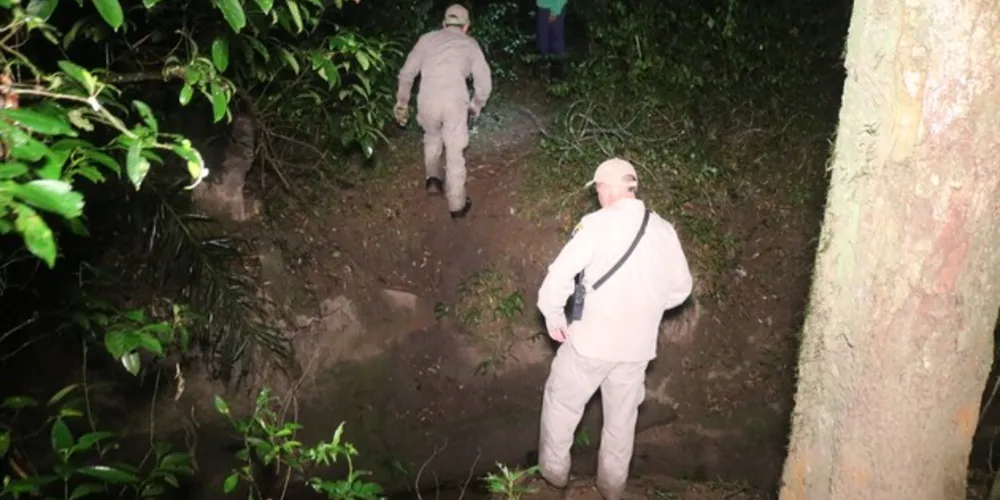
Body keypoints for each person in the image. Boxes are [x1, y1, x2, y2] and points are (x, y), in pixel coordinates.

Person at [534, 158, 694, 500]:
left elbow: (559, 277)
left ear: (607, 187)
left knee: (562, 405)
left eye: (598, 189)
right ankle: (611, 489)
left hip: (590, 343)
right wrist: (645, 307)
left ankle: (553, 478)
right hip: (636, 349)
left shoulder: (597, 224)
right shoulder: (664, 230)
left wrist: (554, 317)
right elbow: (682, 289)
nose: (598, 196)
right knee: (621, 423)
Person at [394, 4, 493, 220]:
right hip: (454, 102)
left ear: (443, 24)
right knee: (455, 150)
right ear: (466, 26)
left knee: (431, 136)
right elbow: (484, 84)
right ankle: (457, 205)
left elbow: (406, 74)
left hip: (427, 100)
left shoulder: (426, 39)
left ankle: (433, 179)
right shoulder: (470, 44)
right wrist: (476, 105)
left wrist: (402, 103)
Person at [535, 0, 568, 81]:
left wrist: (555, 11)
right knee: (543, 39)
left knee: (555, 40)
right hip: (543, 7)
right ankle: (544, 69)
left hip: (554, 8)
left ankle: (556, 73)